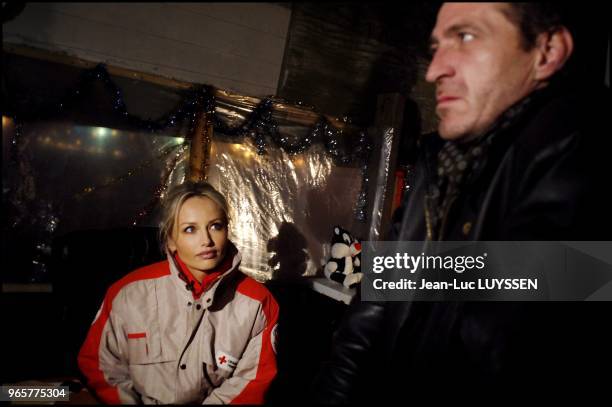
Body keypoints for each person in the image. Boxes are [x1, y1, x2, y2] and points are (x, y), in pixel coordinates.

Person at [312, 2, 611, 403]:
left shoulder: (585, 143)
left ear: (547, 51)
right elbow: (371, 311)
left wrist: (414, 270)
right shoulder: (442, 161)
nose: (434, 70)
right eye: (436, 47)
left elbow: (539, 308)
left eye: (465, 37)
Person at [78, 181, 279, 404]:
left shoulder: (258, 303)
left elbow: (252, 381)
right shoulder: (127, 293)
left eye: (216, 226)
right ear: (171, 240)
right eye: (190, 229)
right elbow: (100, 366)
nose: (207, 241)